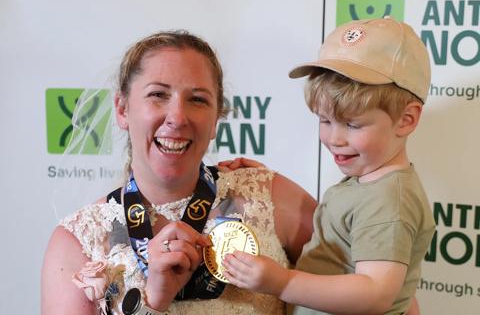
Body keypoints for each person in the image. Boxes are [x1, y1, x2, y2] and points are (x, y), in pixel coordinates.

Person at [41, 30, 317, 315]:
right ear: (123, 109)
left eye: (197, 100)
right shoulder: (76, 241)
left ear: (215, 120)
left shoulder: (270, 197)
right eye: (158, 95)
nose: (177, 117)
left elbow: (361, 284)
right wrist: (153, 299)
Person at [222, 17, 436, 314]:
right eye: (324, 120)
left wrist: (282, 282)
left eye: (352, 124)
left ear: (406, 119)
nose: (334, 138)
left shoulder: (388, 200)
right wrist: (266, 180)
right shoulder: (368, 182)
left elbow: (375, 293)